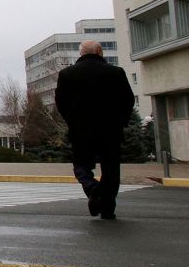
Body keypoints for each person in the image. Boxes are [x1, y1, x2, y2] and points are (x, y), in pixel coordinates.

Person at [54, 40, 135, 219]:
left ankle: (92, 188)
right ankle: (107, 209)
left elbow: (61, 103)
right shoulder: (115, 72)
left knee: (81, 166)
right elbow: (128, 100)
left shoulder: (67, 74)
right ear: (99, 51)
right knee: (111, 170)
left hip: (81, 131)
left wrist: (72, 121)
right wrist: (120, 122)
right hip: (110, 131)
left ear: (81, 53)